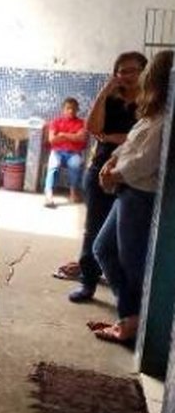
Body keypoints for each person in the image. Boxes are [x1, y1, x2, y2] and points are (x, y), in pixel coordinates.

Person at [90, 50, 173, 345]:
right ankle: (129, 317)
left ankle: (132, 321)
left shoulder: (165, 117)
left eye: (143, 71)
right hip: (128, 192)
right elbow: (128, 144)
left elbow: (145, 161)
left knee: (130, 261)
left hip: (140, 195)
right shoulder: (154, 111)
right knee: (104, 249)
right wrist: (111, 163)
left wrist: (115, 173)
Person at [63, 51, 147, 302]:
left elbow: (138, 139)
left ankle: (124, 292)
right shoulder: (111, 100)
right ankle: (87, 282)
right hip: (100, 169)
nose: (128, 76)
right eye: (122, 71)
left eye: (133, 70)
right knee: (93, 229)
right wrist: (104, 91)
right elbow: (91, 127)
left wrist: (109, 137)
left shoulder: (148, 102)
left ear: (144, 72)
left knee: (124, 236)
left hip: (132, 174)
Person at [43, 97, 87, 208]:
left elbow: (81, 138)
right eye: (68, 108)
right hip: (57, 152)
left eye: (73, 109)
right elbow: (52, 139)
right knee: (53, 166)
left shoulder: (82, 123)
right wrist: (72, 137)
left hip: (74, 153)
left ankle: (73, 193)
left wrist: (62, 135)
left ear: (77, 110)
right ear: (63, 109)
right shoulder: (56, 122)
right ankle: (49, 196)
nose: (71, 111)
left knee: (75, 165)